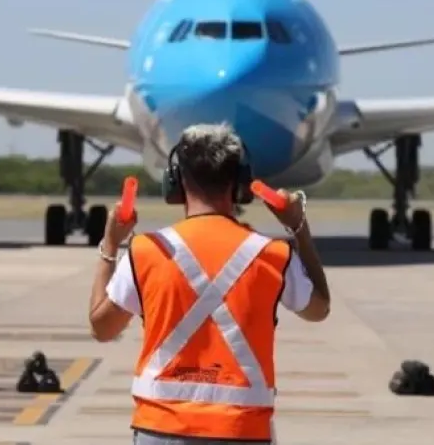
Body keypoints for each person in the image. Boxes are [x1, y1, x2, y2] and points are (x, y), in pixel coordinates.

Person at [88, 123, 331, 444]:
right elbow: (319, 309)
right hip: (241, 430)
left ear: (176, 181)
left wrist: (110, 246)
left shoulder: (147, 251)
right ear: (240, 183)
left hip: (160, 427)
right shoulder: (272, 254)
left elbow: (102, 328)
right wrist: (298, 226)